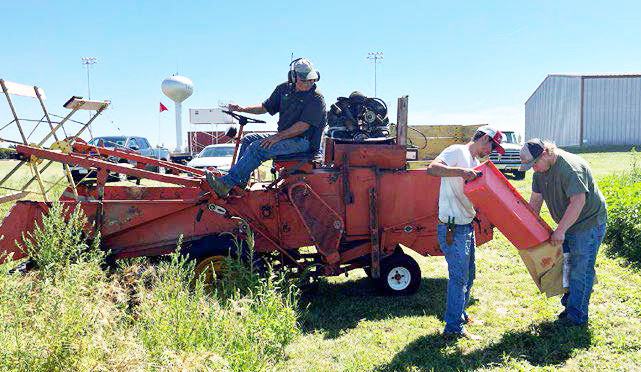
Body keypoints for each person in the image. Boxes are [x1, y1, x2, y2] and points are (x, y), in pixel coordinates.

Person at [426, 125, 505, 340]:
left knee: (469, 276)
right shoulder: (456, 151)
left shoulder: (475, 161)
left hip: (466, 225)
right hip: (453, 227)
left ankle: (460, 315)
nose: (491, 152)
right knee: (459, 278)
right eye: (492, 147)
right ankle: (453, 328)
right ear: (484, 139)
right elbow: (432, 168)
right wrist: (462, 172)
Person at [206, 58, 326, 197]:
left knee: (259, 148)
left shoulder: (316, 98)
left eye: (311, 80)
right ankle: (239, 182)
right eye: (304, 80)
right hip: (286, 137)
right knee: (248, 139)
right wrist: (242, 108)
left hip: (303, 142)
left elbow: (302, 126)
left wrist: (277, 137)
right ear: (293, 77)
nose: (309, 83)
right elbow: (265, 107)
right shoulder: (284, 89)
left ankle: (226, 184)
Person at [519, 139, 607, 326]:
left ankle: (577, 318)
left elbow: (578, 202)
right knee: (567, 267)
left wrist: (560, 231)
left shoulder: (570, 168)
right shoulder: (539, 174)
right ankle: (570, 308)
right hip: (568, 223)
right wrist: (524, 229)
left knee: (580, 269)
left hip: (587, 223)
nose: (533, 169)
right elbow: (534, 204)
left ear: (545, 154)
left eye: (533, 164)